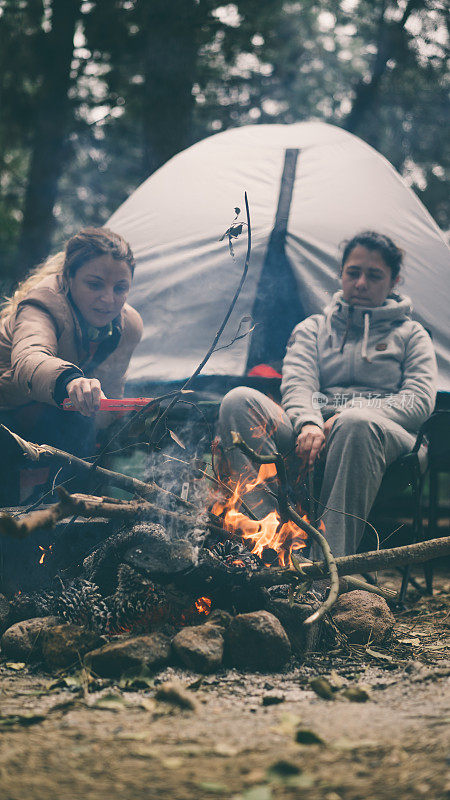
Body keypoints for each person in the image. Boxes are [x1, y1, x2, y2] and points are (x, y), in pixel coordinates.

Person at [217, 231, 437, 559]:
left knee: (356, 424)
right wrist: (308, 424)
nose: (361, 283)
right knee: (238, 400)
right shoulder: (314, 329)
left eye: (374, 275)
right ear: (342, 274)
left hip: (388, 439)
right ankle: (276, 543)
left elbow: (418, 401)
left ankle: (326, 572)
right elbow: (298, 384)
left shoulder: (411, 334)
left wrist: (351, 413)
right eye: (353, 272)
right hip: (313, 433)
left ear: (393, 282)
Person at [0, 227, 143, 504]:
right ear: (69, 277)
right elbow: (29, 359)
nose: (109, 298)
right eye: (95, 284)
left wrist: (117, 413)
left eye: (120, 288)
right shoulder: (41, 304)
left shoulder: (128, 326)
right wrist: (71, 382)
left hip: (52, 416)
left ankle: (71, 521)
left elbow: (108, 397)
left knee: (84, 422)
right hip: (7, 412)